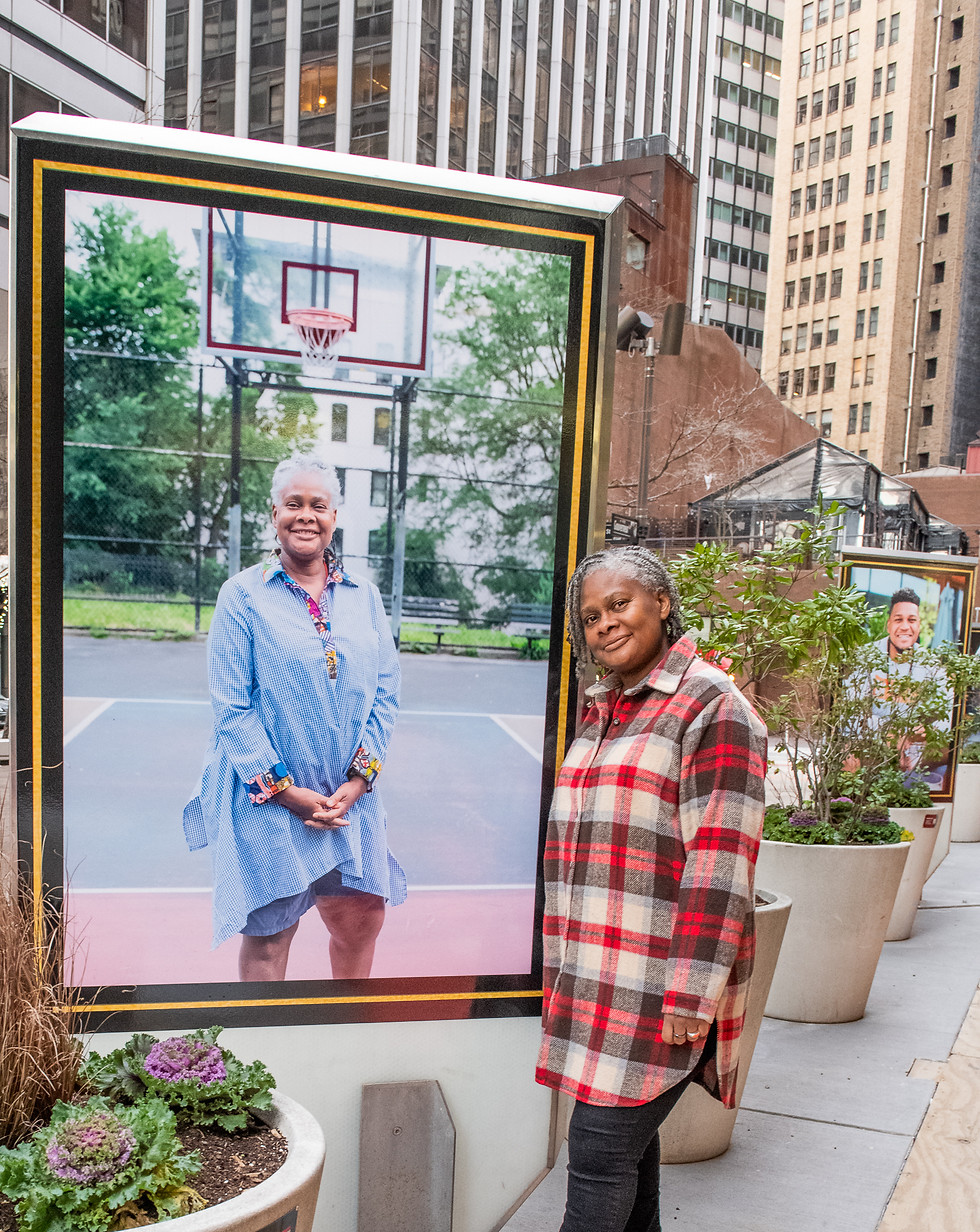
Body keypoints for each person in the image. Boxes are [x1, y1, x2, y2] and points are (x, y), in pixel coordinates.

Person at [536, 546, 767, 1232]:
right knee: (624, 1159)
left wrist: (690, 998)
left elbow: (721, 865)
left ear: (662, 604)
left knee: (600, 1152)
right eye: (590, 616)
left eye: (620, 604)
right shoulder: (605, 709)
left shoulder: (712, 706)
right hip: (598, 978)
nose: (604, 623)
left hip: (658, 986)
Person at [182, 452, 405, 981]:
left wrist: (359, 779)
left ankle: (345, 1037)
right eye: (294, 504)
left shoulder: (363, 597)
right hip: (271, 803)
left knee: (359, 922)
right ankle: (267, 1053)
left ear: (335, 516)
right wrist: (286, 793)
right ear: (274, 513)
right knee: (269, 938)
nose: (306, 515)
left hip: (349, 799)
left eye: (319, 505)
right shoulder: (242, 596)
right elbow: (232, 709)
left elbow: (387, 691)